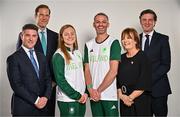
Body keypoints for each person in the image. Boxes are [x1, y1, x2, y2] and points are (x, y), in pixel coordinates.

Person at [16, 4, 58, 116]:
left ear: (49, 17)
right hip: (31, 88)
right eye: (41, 15)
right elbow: (20, 60)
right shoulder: (25, 36)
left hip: (51, 87)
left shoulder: (56, 36)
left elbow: (59, 62)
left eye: (47, 15)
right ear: (36, 16)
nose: (44, 18)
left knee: (49, 113)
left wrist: (54, 81)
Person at [6, 24, 52, 116]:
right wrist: (36, 100)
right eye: (27, 35)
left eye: (34, 36)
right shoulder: (13, 58)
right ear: (21, 36)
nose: (31, 39)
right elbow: (16, 85)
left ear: (37, 37)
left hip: (43, 108)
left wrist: (46, 97)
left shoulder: (41, 57)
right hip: (23, 108)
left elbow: (48, 79)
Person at [84, 12, 121, 117]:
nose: (101, 24)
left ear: (108, 24)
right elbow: (87, 70)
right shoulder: (88, 44)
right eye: (98, 22)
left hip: (108, 94)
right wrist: (91, 90)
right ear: (93, 24)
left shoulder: (113, 42)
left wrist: (98, 90)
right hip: (94, 95)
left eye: (104, 22)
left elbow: (114, 71)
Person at [139, 9, 172, 116]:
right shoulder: (135, 39)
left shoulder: (163, 39)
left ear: (154, 22)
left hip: (158, 89)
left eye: (150, 20)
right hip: (140, 91)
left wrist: (148, 80)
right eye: (144, 20)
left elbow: (165, 65)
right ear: (140, 21)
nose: (147, 22)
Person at [52, 24, 88, 116]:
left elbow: (83, 74)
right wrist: (76, 96)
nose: (70, 36)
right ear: (61, 37)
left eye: (72, 33)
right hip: (68, 99)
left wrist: (85, 93)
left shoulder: (78, 53)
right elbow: (60, 80)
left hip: (81, 98)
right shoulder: (59, 55)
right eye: (66, 34)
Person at [117, 28, 151, 116]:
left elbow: (144, 81)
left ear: (136, 41)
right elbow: (117, 80)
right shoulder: (121, 58)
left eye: (128, 38)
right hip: (124, 100)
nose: (125, 40)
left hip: (139, 100)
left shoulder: (142, 57)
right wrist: (122, 97)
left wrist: (130, 98)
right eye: (123, 38)